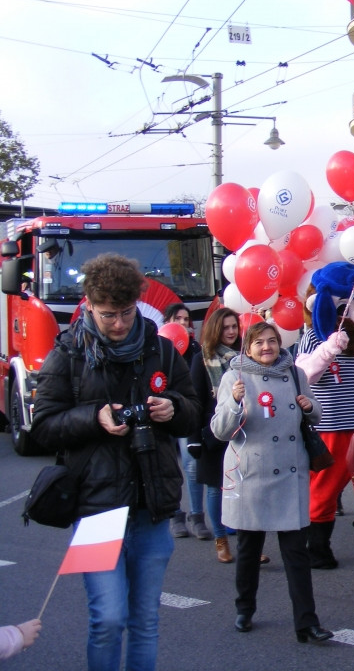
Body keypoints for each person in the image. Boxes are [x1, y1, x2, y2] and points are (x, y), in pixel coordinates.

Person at [31, 253, 202, 671]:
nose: (120, 324)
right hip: (95, 509)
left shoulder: (160, 348)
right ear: (89, 305)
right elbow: (43, 425)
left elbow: (196, 411)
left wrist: (172, 409)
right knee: (106, 619)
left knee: (144, 620)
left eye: (126, 313)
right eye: (109, 315)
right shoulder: (69, 352)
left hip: (151, 503)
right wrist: (95, 417)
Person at [210, 321, 333, 644]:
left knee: (297, 554)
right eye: (259, 343)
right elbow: (221, 431)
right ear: (247, 347)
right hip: (252, 475)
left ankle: (307, 622)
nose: (267, 347)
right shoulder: (233, 378)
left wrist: (309, 406)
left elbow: (316, 414)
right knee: (249, 550)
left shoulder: (296, 374)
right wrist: (236, 403)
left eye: (272, 341)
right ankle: (245, 607)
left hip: (290, 473)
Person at [295, 263, 354, 571]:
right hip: (329, 426)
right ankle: (316, 548)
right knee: (324, 488)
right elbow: (304, 375)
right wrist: (327, 350)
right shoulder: (312, 335)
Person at [188, 307, 253, 565]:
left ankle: (249, 544)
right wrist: (195, 437)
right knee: (216, 488)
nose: (231, 332)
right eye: (225, 327)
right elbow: (195, 401)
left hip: (244, 430)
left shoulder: (245, 357)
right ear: (216, 329)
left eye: (234, 327)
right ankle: (221, 541)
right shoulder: (202, 358)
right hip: (213, 432)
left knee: (245, 488)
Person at [163, 303, 212, 542]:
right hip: (161, 413)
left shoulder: (194, 348)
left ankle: (197, 515)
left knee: (192, 465)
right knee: (168, 467)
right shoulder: (160, 347)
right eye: (178, 318)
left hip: (184, 412)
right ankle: (174, 514)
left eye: (186, 319)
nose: (183, 323)